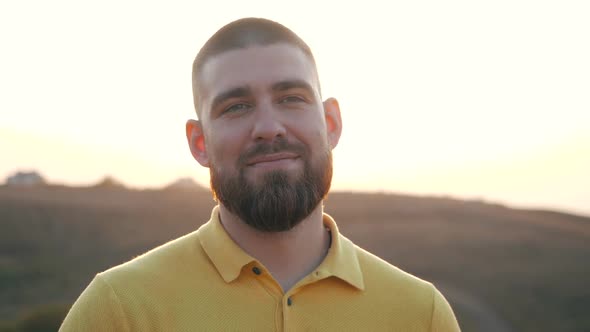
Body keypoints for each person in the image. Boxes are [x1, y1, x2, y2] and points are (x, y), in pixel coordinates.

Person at [60, 18, 461, 331]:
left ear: (331, 121)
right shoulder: (119, 309)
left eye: (291, 98)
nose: (269, 127)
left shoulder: (419, 315)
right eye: (236, 106)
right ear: (200, 142)